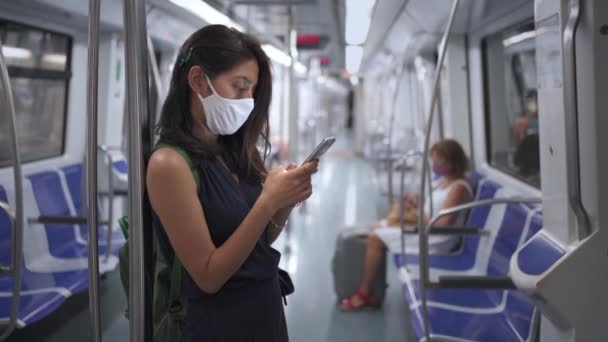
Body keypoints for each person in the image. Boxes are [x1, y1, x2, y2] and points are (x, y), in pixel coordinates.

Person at [147, 25, 318, 341]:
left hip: (263, 311)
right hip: (217, 324)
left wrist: (283, 203)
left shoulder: (231, 149)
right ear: (199, 81)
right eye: (239, 87)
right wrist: (267, 201)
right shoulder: (169, 165)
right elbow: (208, 276)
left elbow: (259, 240)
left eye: (251, 91)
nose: (247, 101)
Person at [341, 139, 473, 311]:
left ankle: (364, 294)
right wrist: (416, 204)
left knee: (375, 238)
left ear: (452, 162)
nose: (434, 167)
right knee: (375, 226)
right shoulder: (445, 181)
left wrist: (416, 215)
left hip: (436, 238)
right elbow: (433, 209)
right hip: (424, 228)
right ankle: (374, 290)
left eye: (438, 162)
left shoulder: (459, 188)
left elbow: (443, 222)